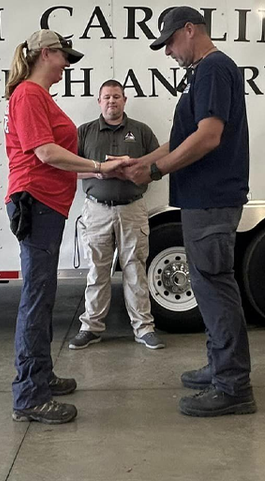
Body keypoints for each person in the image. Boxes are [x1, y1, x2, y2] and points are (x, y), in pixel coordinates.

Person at [124, 6, 255, 417]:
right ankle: (220, 366)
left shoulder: (215, 68)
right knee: (206, 287)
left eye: (169, 43)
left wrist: (157, 169)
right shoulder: (202, 73)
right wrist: (143, 163)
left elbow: (208, 137)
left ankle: (233, 387)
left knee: (215, 289)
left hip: (212, 198)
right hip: (202, 199)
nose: (167, 53)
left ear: (189, 30)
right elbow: (183, 138)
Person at [3, 29, 130, 425]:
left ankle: (40, 376)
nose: (66, 65)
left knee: (44, 295)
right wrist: (98, 166)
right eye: (63, 57)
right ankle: (28, 395)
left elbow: (54, 151)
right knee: (37, 300)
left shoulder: (38, 96)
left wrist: (99, 163)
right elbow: (44, 152)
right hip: (36, 202)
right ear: (45, 54)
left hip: (46, 204)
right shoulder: (28, 94)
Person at [69, 80, 164, 351]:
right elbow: (67, 169)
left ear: (125, 100)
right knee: (97, 271)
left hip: (132, 208)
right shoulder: (84, 132)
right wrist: (99, 171)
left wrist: (134, 170)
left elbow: (157, 165)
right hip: (96, 209)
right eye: (107, 97)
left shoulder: (141, 132)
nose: (112, 101)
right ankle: (91, 327)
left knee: (135, 268)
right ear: (99, 101)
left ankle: (144, 328)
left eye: (117, 97)